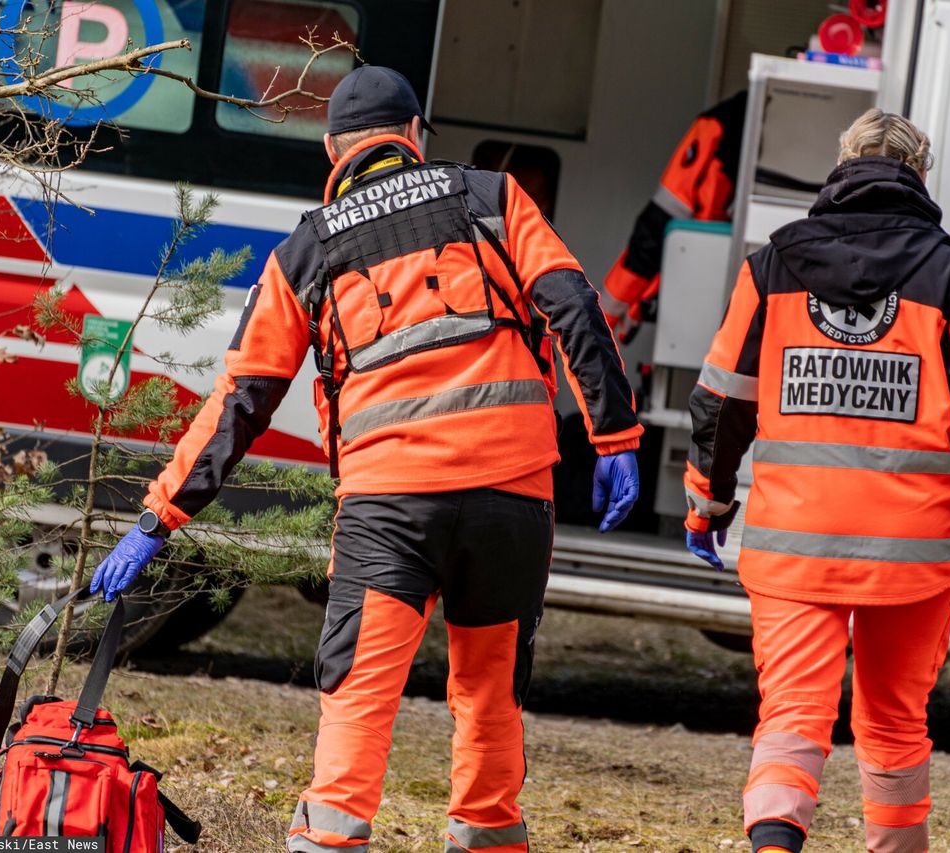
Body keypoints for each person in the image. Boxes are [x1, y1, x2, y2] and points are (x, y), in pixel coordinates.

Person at [89, 65, 643, 853]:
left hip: (390, 507)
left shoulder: (307, 250)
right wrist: (614, 435)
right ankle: (487, 837)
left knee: (360, 696)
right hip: (511, 496)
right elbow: (573, 301)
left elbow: (241, 401)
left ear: (332, 150)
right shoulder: (492, 196)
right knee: (490, 696)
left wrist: (161, 514)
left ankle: (332, 841)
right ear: (415, 135)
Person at [683, 109, 950, 853]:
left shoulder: (772, 266)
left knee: (791, 716)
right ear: (919, 175)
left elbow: (722, 402)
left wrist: (705, 504)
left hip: (792, 546)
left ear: (842, 165)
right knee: (895, 724)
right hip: (911, 557)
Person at [601, 91, 746, 343]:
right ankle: (600, 327)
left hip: (698, 253)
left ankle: (601, 327)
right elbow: (669, 215)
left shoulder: (732, 120)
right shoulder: (727, 122)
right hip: (694, 248)